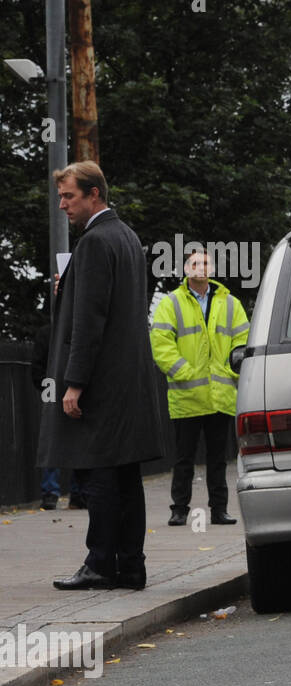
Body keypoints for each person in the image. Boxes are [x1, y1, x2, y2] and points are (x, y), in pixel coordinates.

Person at [38, 161, 165, 590]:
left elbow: (90, 321)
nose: (62, 205)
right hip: (128, 381)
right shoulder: (126, 236)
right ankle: (131, 565)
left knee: (99, 476)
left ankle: (99, 564)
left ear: (94, 194)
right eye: (61, 197)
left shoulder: (94, 242)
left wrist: (75, 383)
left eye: (69, 196)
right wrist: (67, 289)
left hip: (103, 385)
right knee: (126, 477)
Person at [150, 249, 249, 526]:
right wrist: (184, 371)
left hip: (220, 395)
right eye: (195, 263)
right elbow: (160, 342)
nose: (201, 267)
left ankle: (219, 510)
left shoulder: (231, 303)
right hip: (188, 394)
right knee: (184, 459)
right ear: (186, 269)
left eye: (206, 263)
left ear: (212, 269)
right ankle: (179, 509)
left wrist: (231, 371)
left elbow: (242, 341)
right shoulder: (171, 303)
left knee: (219, 460)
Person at [30, 278, 85, 510]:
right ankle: (53, 493)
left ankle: (75, 493)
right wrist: (49, 391)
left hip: (71, 390)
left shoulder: (72, 330)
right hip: (54, 391)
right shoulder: (48, 333)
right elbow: (38, 368)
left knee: (77, 443)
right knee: (54, 440)